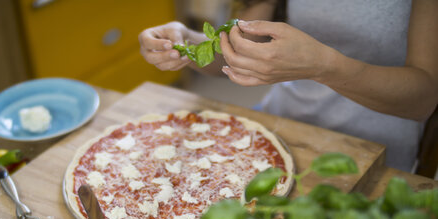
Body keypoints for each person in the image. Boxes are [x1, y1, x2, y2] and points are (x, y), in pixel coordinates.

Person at [138, 0, 438, 172]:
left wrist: (324, 66)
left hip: (373, 147)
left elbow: (422, 99)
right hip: (282, 123)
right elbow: (235, 48)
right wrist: (184, 41)